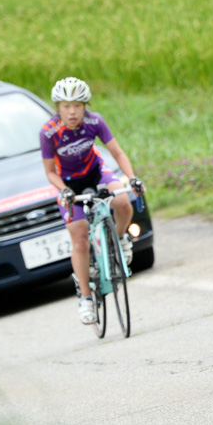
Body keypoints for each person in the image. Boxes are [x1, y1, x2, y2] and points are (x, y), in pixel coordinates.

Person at [40, 77, 143, 325]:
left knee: (122, 201)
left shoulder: (94, 121)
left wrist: (132, 178)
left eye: (77, 105)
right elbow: (50, 172)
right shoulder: (49, 132)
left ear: (85, 105)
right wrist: (64, 191)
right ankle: (85, 297)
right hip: (67, 183)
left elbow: (117, 153)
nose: (72, 111)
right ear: (58, 107)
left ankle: (119, 238)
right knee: (79, 240)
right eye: (66, 106)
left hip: (95, 171)